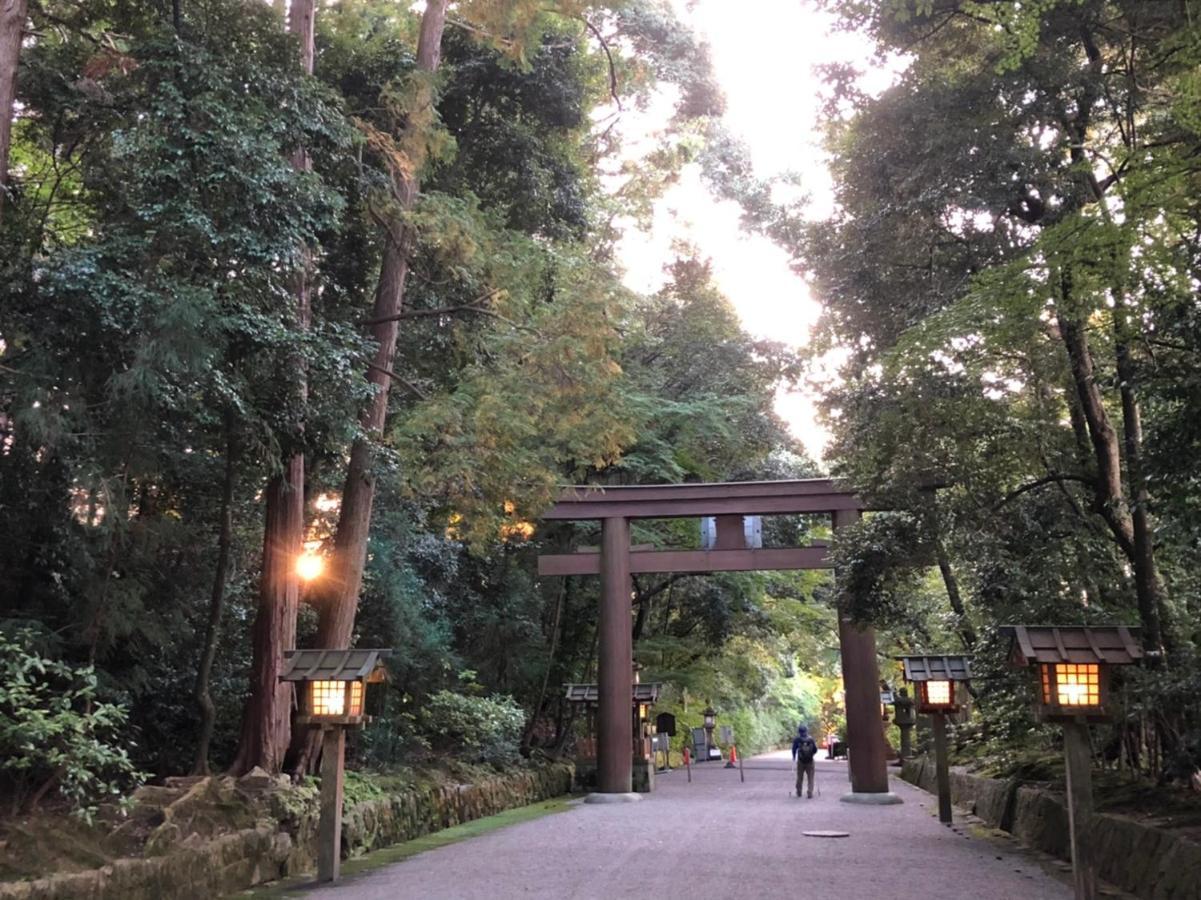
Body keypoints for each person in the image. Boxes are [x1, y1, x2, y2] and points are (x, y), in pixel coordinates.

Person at [791, 725, 818, 799]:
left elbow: (794, 749)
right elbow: (815, 750)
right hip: (810, 761)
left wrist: (794, 757)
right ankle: (810, 793)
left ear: (799, 732)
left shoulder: (797, 739)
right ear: (806, 731)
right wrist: (811, 754)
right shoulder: (811, 739)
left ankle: (799, 792)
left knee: (799, 777)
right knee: (810, 777)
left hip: (801, 761)